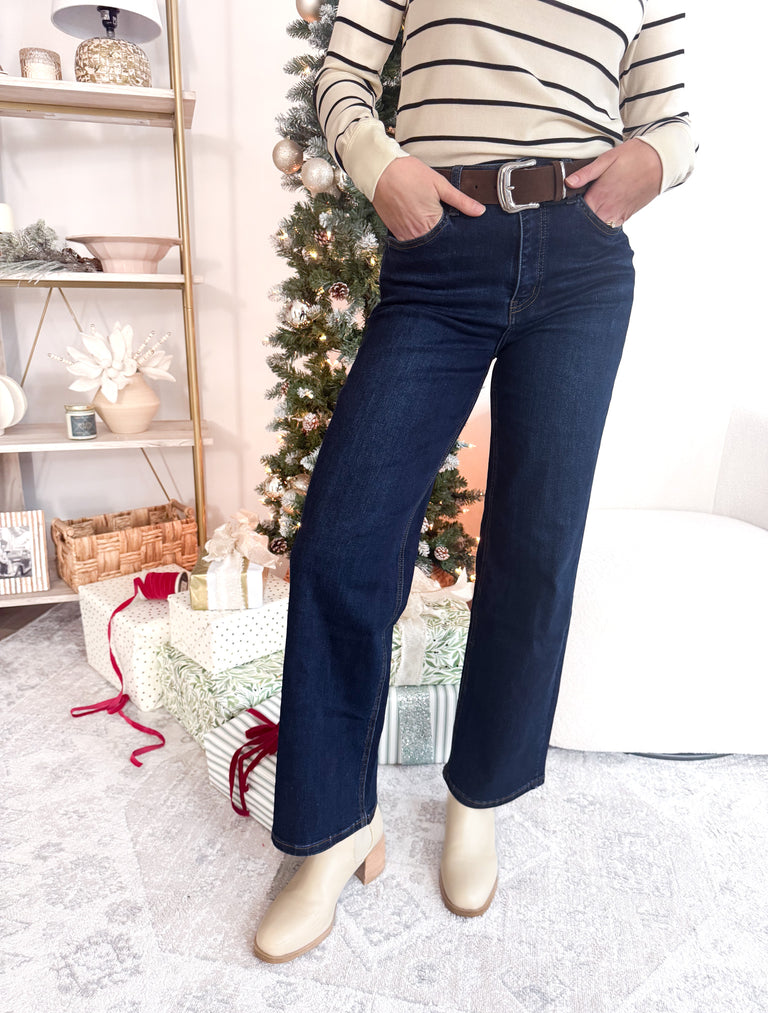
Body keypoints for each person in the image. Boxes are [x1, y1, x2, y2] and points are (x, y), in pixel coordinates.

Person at [254, 0, 695, 963]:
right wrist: (382, 167)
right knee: (343, 538)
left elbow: (671, 118)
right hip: (441, 251)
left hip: (581, 266)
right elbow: (343, 73)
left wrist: (653, 164)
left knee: (535, 547)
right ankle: (335, 829)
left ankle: (479, 798)